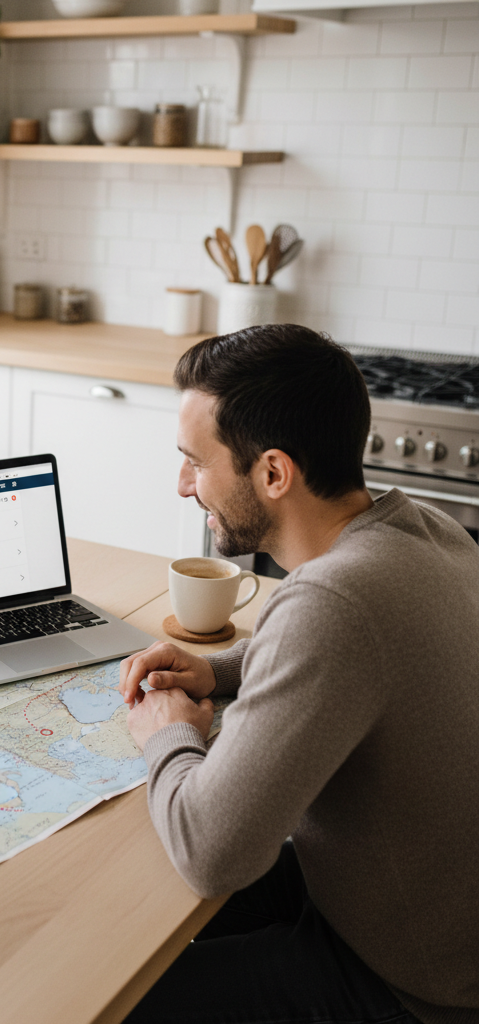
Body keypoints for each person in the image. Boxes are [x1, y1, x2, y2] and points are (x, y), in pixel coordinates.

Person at [117, 325, 479, 1024]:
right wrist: (218, 670)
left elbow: (211, 853)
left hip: (409, 986)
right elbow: (369, 651)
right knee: (129, 925)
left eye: (196, 462)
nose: (184, 485)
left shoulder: (331, 601)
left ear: (273, 473)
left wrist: (167, 733)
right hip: (418, 913)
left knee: (116, 999)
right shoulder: (427, 531)